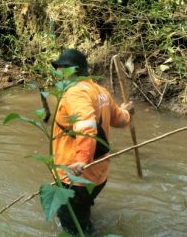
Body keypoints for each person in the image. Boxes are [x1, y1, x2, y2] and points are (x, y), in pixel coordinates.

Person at [50, 48, 133, 235]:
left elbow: (86, 125)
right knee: (82, 214)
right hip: (99, 175)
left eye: (61, 69)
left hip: (76, 175)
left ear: (72, 70)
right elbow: (119, 119)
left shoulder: (75, 92)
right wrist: (127, 112)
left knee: (72, 228)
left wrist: (82, 160)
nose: (58, 74)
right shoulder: (100, 91)